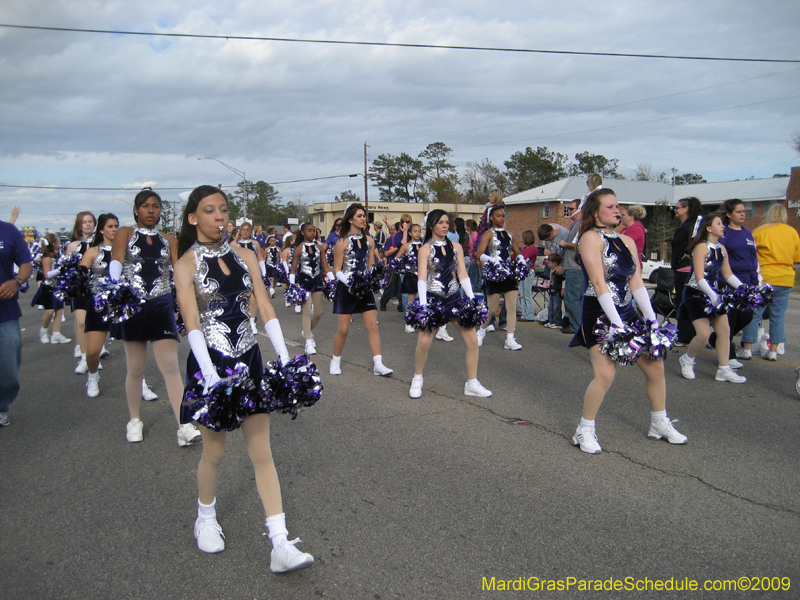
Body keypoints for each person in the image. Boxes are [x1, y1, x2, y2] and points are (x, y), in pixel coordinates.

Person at [174, 185, 314, 570]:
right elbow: (192, 324)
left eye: (223, 209)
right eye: (209, 210)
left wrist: (286, 359)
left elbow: (265, 306)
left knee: (262, 452)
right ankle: (205, 518)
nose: (219, 216)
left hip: (249, 358)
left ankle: (280, 544)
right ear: (193, 218)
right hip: (212, 365)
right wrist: (210, 377)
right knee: (215, 452)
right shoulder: (185, 264)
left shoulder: (246, 255)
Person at [569, 189, 687, 454]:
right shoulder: (589, 238)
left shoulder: (627, 241)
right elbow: (599, 282)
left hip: (627, 311)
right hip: (599, 313)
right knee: (605, 374)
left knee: (655, 367)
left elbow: (636, 282)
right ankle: (584, 429)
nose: (616, 210)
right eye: (610, 206)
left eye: (617, 206)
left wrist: (651, 320)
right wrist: (616, 323)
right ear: (595, 212)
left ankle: (659, 423)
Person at [111, 188, 201, 446]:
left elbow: (179, 271)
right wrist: (115, 288)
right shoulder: (125, 233)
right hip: (133, 305)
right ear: (137, 209)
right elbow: (117, 259)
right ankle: (134, 419)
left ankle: (183, 424)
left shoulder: (168, 239)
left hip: (161, 306)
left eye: (156, 206)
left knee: (171, 367)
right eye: (146, 206)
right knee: (136, 368)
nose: (151, 210)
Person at [408, 209, 491, 399]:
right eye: (440, 222)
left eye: (447, 222)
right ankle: (417, 378)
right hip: (433, 299)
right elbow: (421, 278)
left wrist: (470, 298)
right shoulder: (425, 248)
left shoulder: (456, 246)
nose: (445, 225)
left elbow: (462, 273)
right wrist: (423, 305)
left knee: (471, 340)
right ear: (431, 225)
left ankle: (472, 383)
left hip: (454, 298)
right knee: (424, 341)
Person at [676, 213, 746, 384]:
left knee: (724, 332)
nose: (723, 226)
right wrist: (713, 296)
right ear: (709, 228)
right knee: (703, 335)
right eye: (719, 223)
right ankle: (687, 359)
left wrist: (745, 289)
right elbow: (699, 277)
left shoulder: (722, 249)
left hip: (714, 294)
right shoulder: (700, 247)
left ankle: (723, 369)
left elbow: (728, 274)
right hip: (696, 293)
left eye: (722, 224)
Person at [330, 203, 393, 377]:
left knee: (372, 326)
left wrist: (375, 278)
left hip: (364, 288)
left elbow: (370, 264)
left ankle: (378, 363)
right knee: (343, 329)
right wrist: (349, 281)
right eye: (359, 216)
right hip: (346, 288)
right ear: (350, 219)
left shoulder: (370, 240)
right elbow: (336, 270)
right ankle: (335, 360)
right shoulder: (341, 242)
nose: (363, 218)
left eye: (364, 216)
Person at [740, 204, 800, 361]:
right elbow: (797, 257)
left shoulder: (760, 231)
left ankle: (747, 348)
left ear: (769, 214)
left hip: (765, 277)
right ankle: (773, 351)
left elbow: (749, 253)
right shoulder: (792, 232)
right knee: (778, 316)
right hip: (786, 278)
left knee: (754, 313)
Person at [710, 199, 758, 363]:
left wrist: (754, 280)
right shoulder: (725, 233)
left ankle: (716, 338)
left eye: (744, 211)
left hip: (746, 282)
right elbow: (719, 255)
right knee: (729, 318)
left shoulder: (747, 233)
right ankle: (727, 355)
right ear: (729, 214)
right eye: (739, 212)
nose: (743, 214)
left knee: (746, 317)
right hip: (728, 280)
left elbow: (753, 258)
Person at [79, 214, 120, 397]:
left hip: (122, 305)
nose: (114, 229)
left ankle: (141, 383)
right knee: (93, 351)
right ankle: (93, 376)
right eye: (110, 226)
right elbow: (79, 276)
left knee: (136, 349)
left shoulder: (126, 251)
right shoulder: (93, 251)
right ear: (102, 229)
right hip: (98, 305)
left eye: (116, 226)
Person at [0, 212, 33, 427]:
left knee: (9, 369)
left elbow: (26, 264)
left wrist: (16, 281)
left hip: (5, 313)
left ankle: (2, 405)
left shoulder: (8, 231)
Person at [475, 205, 523, 350]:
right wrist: (493, 260)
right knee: (492, 309)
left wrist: (520, 259)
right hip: (495, 273)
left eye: (503, 216)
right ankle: (481, 330)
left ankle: (510, 338)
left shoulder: (509, 235)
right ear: (491, 217)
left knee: (511, 306)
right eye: (498, 216)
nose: (502, 218)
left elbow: (516, 251)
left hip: (508, 273)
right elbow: (479, 254)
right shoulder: (488, 234)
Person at [290, 222, 332, 355]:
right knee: (307, 311)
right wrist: (292, 285)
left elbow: (325, 266)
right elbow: (293, 269)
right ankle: (308, 342)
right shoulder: (299, 248)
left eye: (314, 230)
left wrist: (333, 280)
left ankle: (306, 331)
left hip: (317, 281)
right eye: (309, 230)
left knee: (318, 313)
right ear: (302, 232)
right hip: (304, 282)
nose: (312, 233)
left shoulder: (320, 248)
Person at [671, 197, 704, 346]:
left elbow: (698, 240)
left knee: (683, 303)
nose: (675, 210)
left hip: (685, 269)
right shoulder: (685, 225)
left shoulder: (692, 225)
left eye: (677, 208)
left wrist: (688, 252)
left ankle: (685, 336)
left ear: (686, 209)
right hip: (681, 268)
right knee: (683, 302)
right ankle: (686, 334)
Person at [65, 211, 97, 364]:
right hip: (79, 290)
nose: (88, 224)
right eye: (84, 222)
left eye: (90, 221)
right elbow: (66, 269)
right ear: (79, 226)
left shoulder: (99, 245)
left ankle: (94, 351)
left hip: (97, 288)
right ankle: (84, 356)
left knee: (95, 322)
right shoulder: (72, 246)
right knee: (81, 322)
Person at [32, 234, 72, 345]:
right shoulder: (47, 257)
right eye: (58, 241)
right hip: (48, 288)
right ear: (53, 243)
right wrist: (60, 270)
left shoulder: (57, 256)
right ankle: (44, 331)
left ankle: (56, 334)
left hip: (58, 287)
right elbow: (46, 274)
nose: (59, 243)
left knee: (59, 311)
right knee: (49, 311)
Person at [559, 199, 583, 334]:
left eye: (572, 209)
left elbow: (581, 245)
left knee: (572, 297)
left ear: (580, 209)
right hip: (572, 266)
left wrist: (565, 244)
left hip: (575, 267)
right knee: (573, 297)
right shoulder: (576, 225)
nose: (569, 211)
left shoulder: (580, 225)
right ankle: (577, 325)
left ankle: (577, 326)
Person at [395, 223, 423, 334]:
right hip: (411, 275)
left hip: (423, 276)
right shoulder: (406, 245)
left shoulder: (424, 245)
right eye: (415, 231)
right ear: (410, 233)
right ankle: (409, 323)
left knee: (421, 299)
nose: (418, 233)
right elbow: (397, 259)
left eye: (419, 231)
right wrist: (403, 268)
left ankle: (419, 320)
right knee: (411, 301)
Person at [379, 216, 410, 312]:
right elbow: (386, 253)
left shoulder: (411, 236)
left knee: (402, 287)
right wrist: (398, 247)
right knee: (390, 286)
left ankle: (401, 306)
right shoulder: (392, 238)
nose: (405, 224)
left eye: (407, 221)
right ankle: (383, 303)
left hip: (405, 266)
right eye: (403, 222)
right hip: (393, 265)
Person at [517, 230, 539, 322]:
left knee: (527, 294)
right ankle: (524, 314)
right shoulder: (525, 248)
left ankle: (530, 315)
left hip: (529, 272)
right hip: (522, 272)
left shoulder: (533, 248)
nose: (521, 240)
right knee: (522, 294)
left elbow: (524, 258)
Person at [544, 253, 564, 329]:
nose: (548, 264)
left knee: (556, 307)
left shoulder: (559, 272)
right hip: (552, 291)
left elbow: (563, 280)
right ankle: (551, 321)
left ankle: (557, 322)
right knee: (550, 307)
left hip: (557, 292)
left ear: (555, 263)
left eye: (549, 262)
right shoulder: (552, 271)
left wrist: (562, 289)